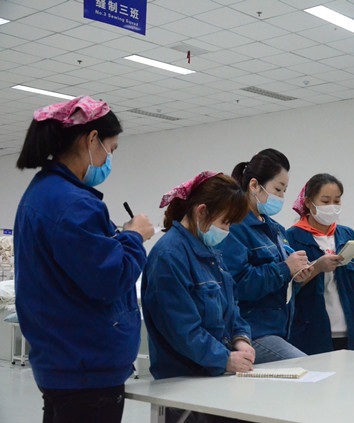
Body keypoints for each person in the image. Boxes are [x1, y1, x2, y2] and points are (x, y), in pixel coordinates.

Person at [13, 96, 154, 423]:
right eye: (110, 149)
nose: (108, 159)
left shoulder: (42, 193)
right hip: (86, 367)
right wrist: (134, 237)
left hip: (64, 361)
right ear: (91, 140)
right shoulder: (73, 204)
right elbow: (110, 279)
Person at [142, 172, 255, 423]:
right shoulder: (169, 256)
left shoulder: (210, 251)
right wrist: (225, 359)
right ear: (201, 211)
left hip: (214, 377)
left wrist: (240, 339)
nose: (226, 231)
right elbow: (182, 330)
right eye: (225, 222)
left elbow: (231, 305)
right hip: (184, 382)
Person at [219, 149, 311, 363]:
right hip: (252, 332)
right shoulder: (234, 227)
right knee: (306, 367)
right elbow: (238, 285)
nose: (281, 197)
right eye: (277, 189)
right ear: (254, 185)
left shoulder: (275, 229)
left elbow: (280, 280)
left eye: (284, 191)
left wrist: (295, 276)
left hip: (279, 328)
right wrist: (285, 268)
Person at [286, 173, 354, 354]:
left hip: (350, 331)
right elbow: (287, 287)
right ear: (309, 202)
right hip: (310, 332)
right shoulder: (292, 238)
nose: (332, 206)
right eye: (325, 201)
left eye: (337, 201)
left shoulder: (348, 235)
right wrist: (317, 268)